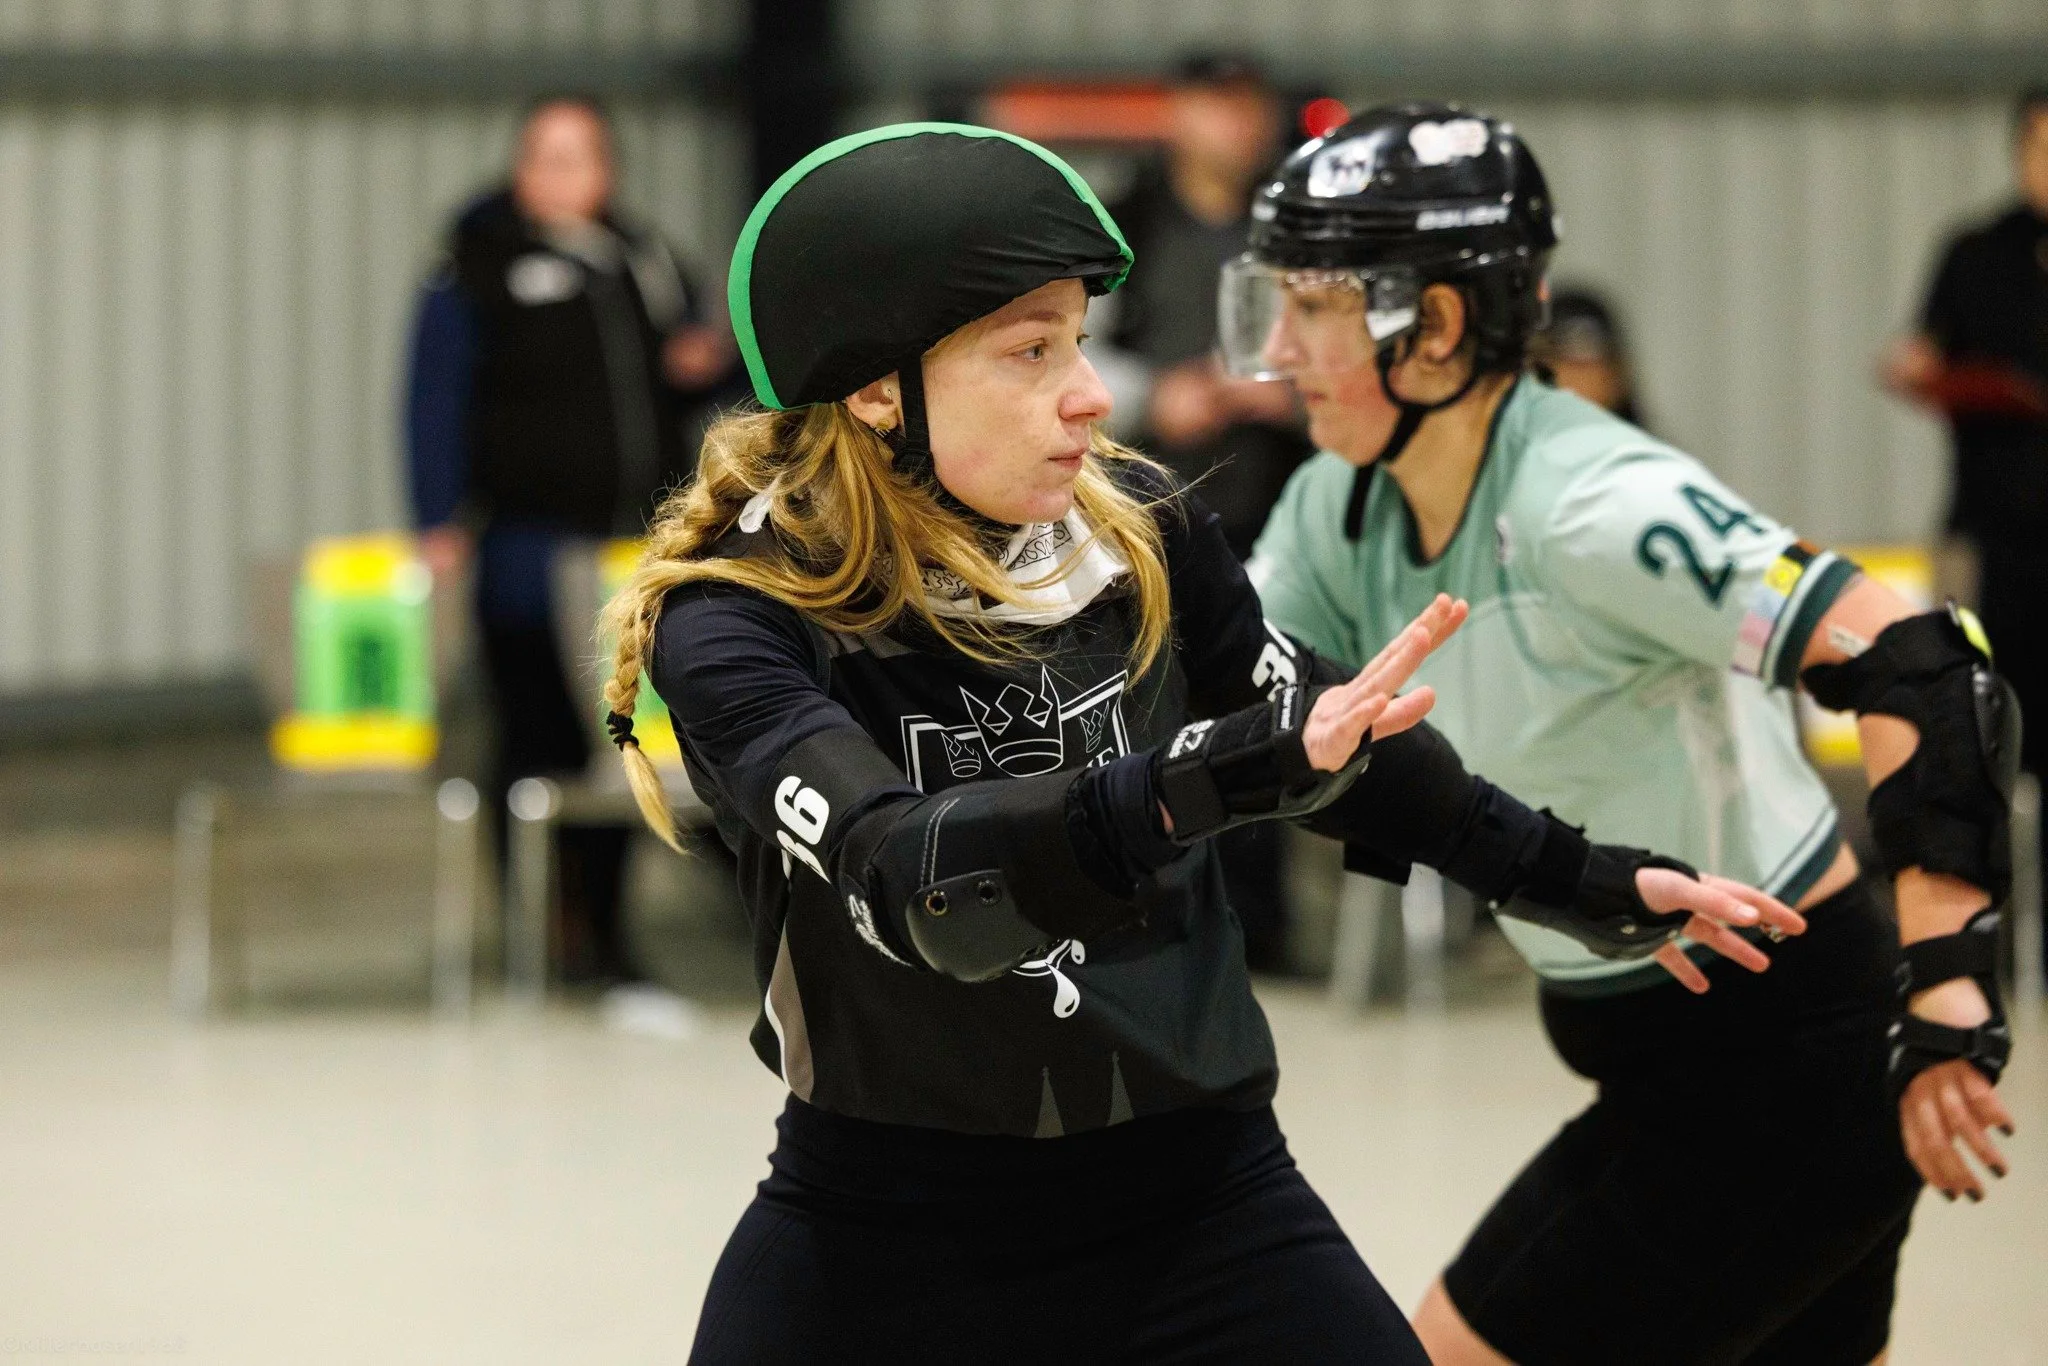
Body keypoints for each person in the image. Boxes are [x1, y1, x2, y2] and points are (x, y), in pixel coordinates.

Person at [594, 123, 1800, 1362]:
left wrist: (1573, 877)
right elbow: (919, 887)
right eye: (1029, 352)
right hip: (881, 1232)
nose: (1089, 392)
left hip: (1200, 1202)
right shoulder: (740, 615)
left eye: (1076, 340)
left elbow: (1337, 749)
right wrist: (1191, 783)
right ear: (873, 388)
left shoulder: (1142, 534)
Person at [1238, 103, 2023, 1365]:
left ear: (1432, 326)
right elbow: (1217, 693)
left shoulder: (1592, 503)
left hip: (1782, 1073)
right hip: (1672, 1070)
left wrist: (1948, 987)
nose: (1274, 351)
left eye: (1312, 307)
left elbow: (1924, 667)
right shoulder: (1339, 502)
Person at [405, 95, 732, 987]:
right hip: (524, 552)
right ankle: (542, 929)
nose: (562, 175)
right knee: (535, 737)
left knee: (622, 742)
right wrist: (437, 521)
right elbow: (434, 399)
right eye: (545, 157)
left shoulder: (641, 257)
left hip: (627, 557)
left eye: (580, 157)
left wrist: (706, 363)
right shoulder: (475, 267)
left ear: (606, 170)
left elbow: (706, 362)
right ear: (520, 169)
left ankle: (607, 930)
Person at [1091, 52, 1312, 968]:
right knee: (1141, 711)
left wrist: (1293, 398)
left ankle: (1258, 924)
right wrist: (1160, 399)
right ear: (1177, 114)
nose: (1236, 126)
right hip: (1145, 510)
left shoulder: (1297, 224)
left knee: (1267, 701)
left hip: (1274, 503)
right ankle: (1144, 910)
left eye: (1248, 106)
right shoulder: (1125, 218)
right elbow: (1064, 347)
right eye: (1216, 106)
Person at [1882, 84, 2048, 986]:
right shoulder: (1977, 253)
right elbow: (1924, 353)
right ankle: (1976, 946)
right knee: (1980, 736)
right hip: (1996, 537)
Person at [1528, 285, 1646, 427]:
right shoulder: (1515, 443)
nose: (1573, 379)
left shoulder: (1642, 447)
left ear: (1616, 373)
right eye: (1559, 360)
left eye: (1583, 364)